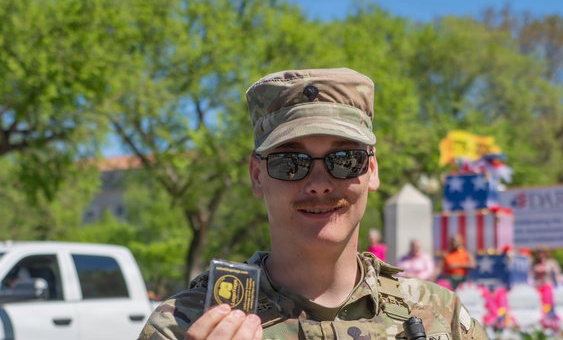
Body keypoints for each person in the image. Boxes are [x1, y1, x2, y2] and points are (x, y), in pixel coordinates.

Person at [138, 68, 488, 339]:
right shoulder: (186, 324)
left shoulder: (440, 316)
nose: (319, 185)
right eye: (291, 163)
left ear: (372, 170)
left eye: (345, 159)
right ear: (257, 175)